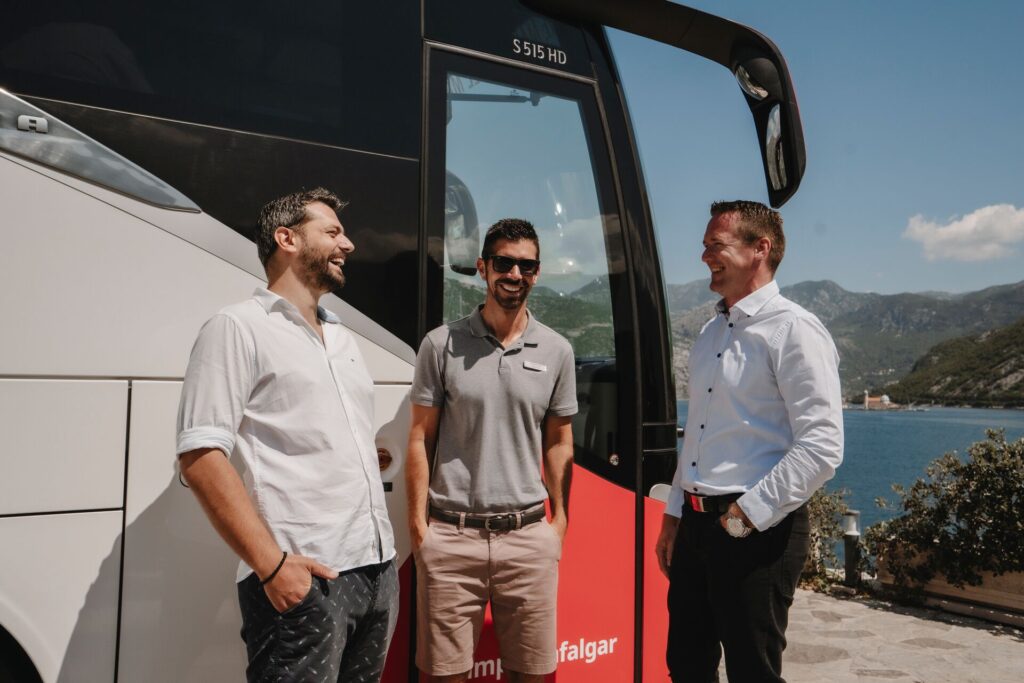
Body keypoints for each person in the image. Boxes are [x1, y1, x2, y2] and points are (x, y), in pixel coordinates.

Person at [176, 188, 398, 683]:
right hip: (306, 581)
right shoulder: (237, 327)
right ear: (287, 239)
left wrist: (386, 572)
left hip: (378, 572)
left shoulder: (343, 335)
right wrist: (273, 567)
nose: (349, 245)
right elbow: (201, 455)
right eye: (333, 232)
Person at [655, 200, 844, 683]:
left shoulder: (794, 330)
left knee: (752, 672)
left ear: (759, 249)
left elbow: (821, 446)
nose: (704, 257)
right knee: (686, 667)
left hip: (758, 532)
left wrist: (742, 518)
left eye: (714, 245)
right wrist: (674, 515)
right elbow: (696, 435)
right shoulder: (710, 332)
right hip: (698, 529)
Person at [406, 218, 577, 683]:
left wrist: (559, 523)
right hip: (451, 539)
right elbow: (420, 437)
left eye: (526, 265)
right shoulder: (440, 346)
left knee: (535, 675)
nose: (514, 274)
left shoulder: (558, 350)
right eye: (504, 262)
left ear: (537, 273)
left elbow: (560, 441)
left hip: (527, 539)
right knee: (442, 677)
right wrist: (419, 528)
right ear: (483, 267)